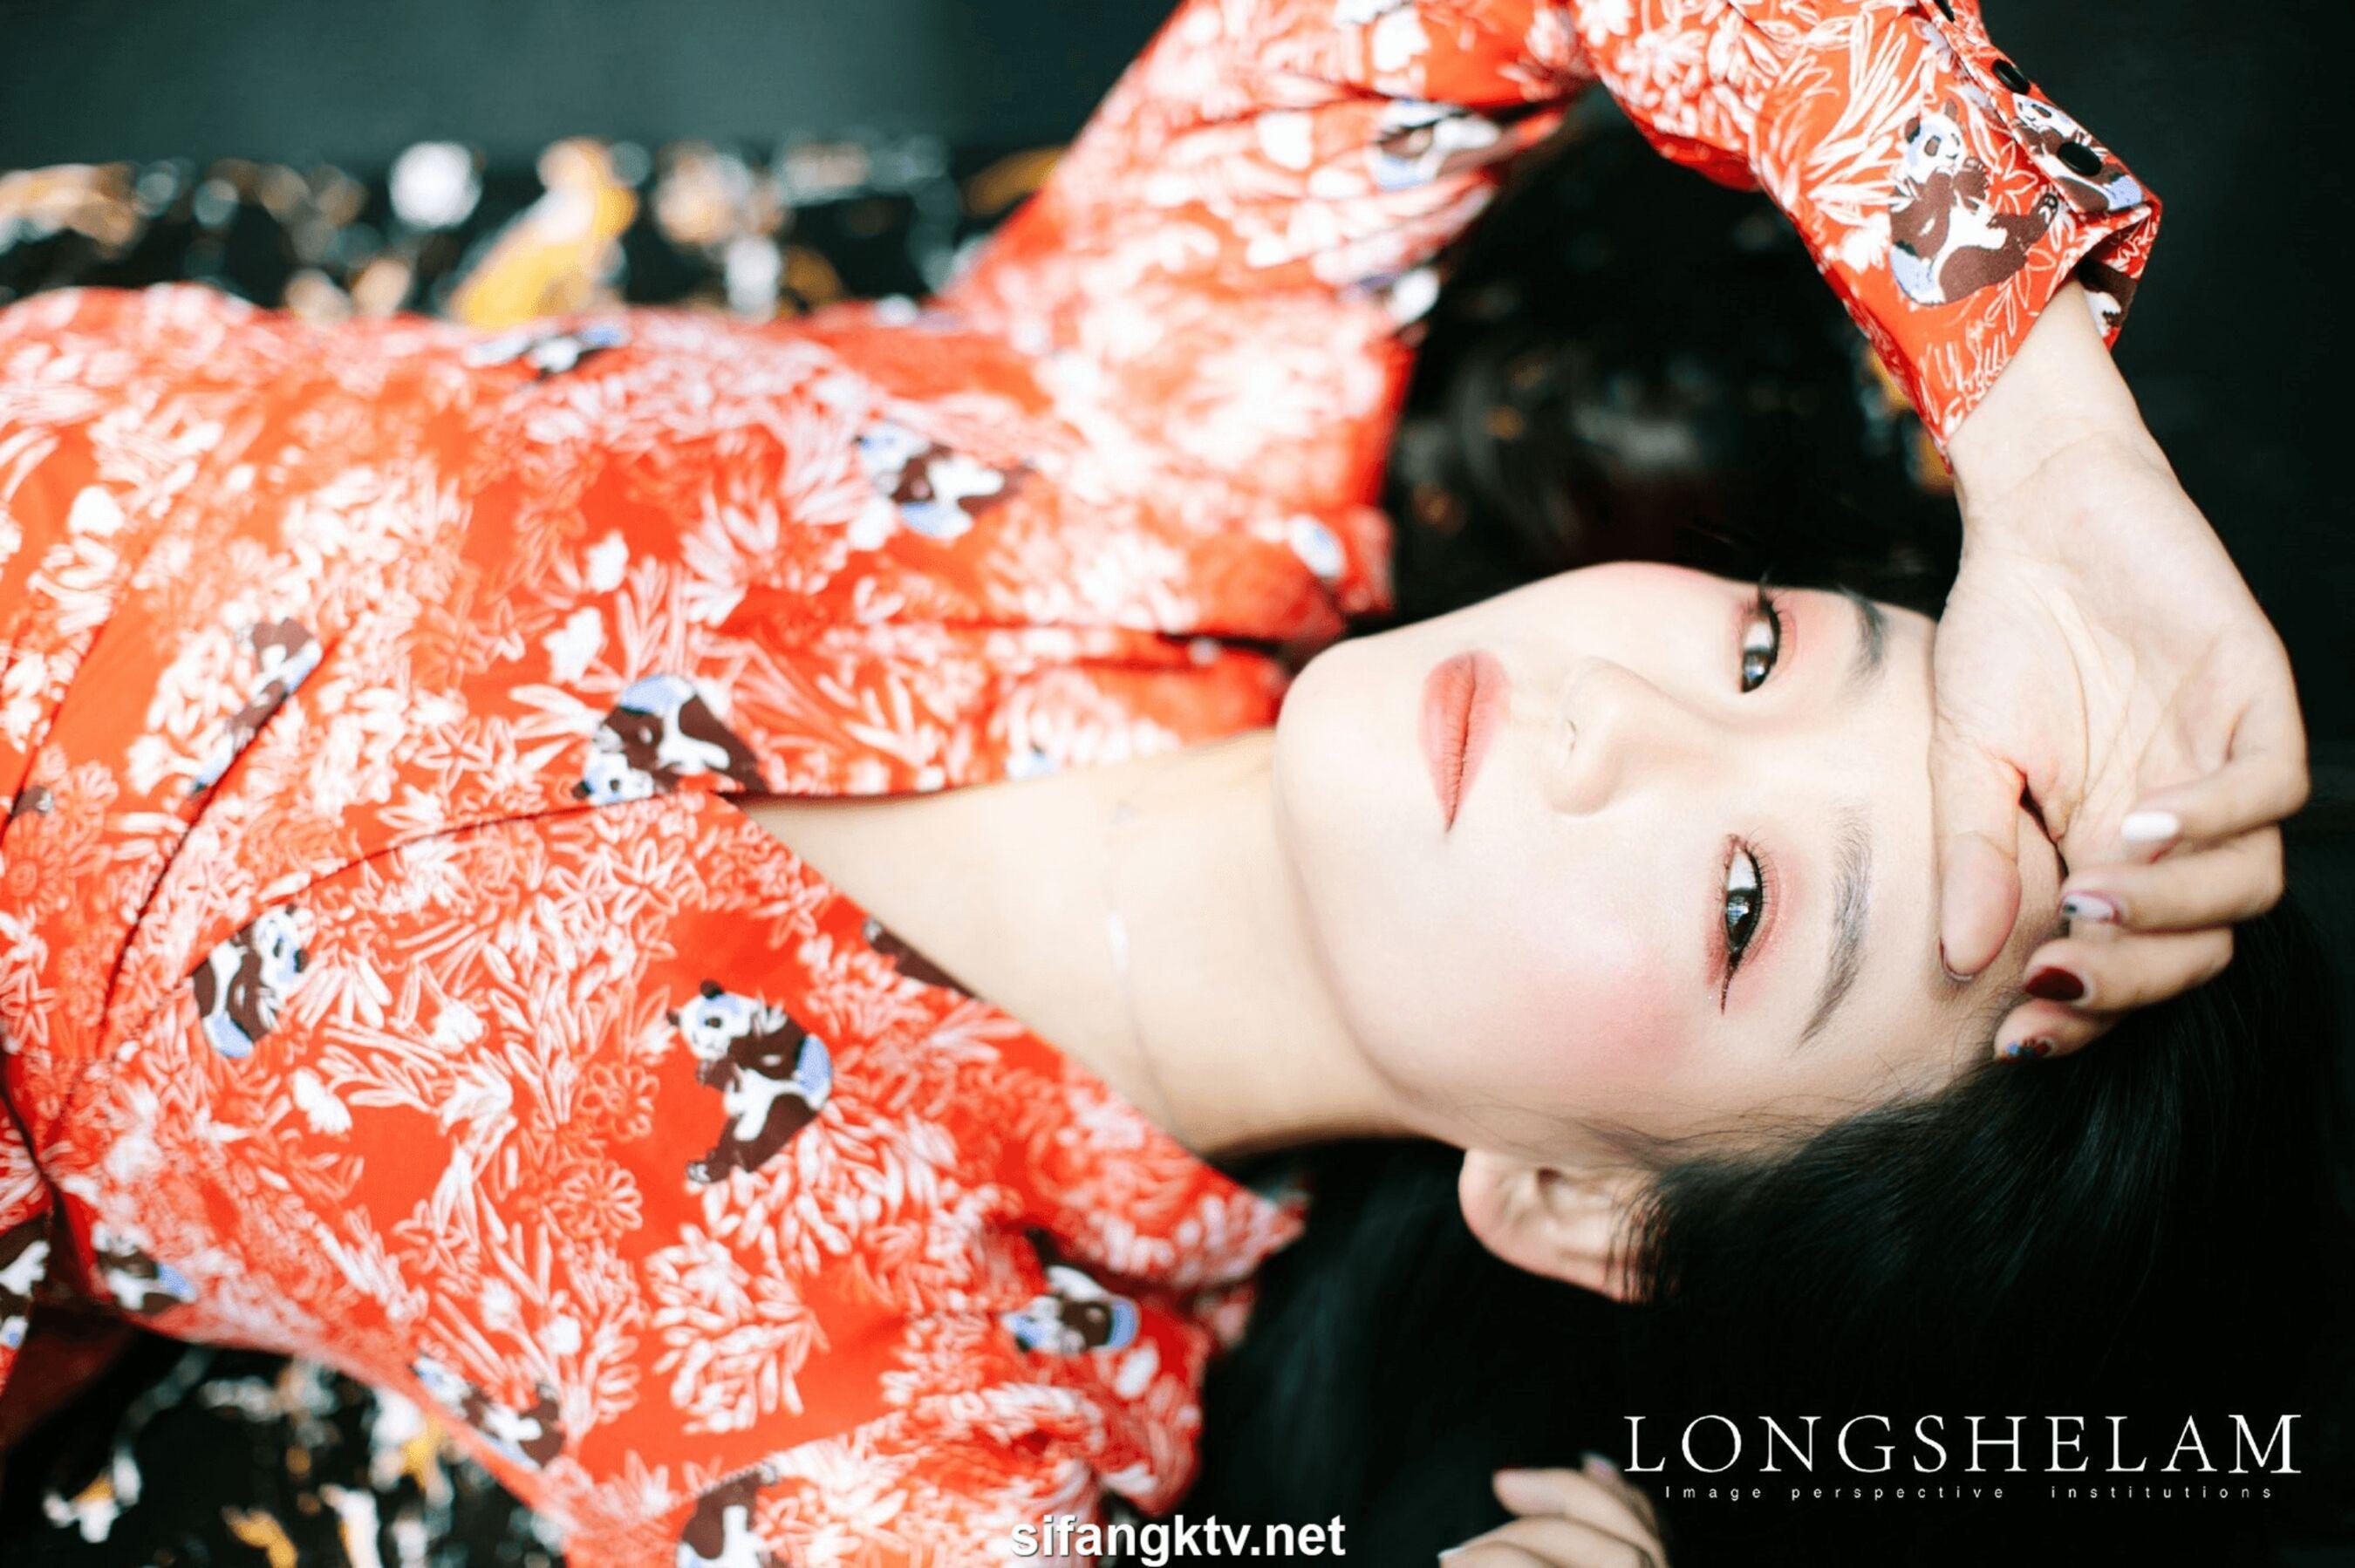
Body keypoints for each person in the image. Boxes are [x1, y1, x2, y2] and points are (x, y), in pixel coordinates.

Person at [0, 3, 2317, 1565]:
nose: (1616, 717)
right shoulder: (1171, 430)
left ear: (1581, 1214)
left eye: (1743, 904)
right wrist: (2046, 446)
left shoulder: (938, 1404)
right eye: (1764, 648)